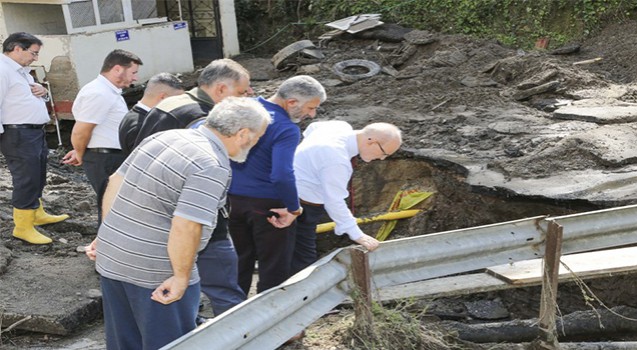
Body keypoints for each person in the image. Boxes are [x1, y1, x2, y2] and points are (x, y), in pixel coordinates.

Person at [84, 97, 271, 350]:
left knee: (124, 343)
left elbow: (115, 181)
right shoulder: (210, 165)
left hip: (113, 260)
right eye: (258, 137)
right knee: (170, 343)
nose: (256, 143)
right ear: (243, 134)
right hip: (156, 274)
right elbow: (187, 225)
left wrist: (107, 233)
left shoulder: (164, 137)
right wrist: (181, 277)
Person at [134, 58, 252, 317]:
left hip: (156, 211)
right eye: (241, 92)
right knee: (223, 287)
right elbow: (211, 170)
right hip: (193, 217)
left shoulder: (172, 103)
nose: (245, 100)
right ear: (221, 89)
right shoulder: (202, 119)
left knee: (180, 288)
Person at [229, 75, 326, 295]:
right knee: (274, 267)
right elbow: (282, 174)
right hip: (269, 207)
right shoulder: (285, 128)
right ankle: (269, 318)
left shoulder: (243, 109)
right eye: (311, 108)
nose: (312, 115)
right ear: (292, 102)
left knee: (238, 262)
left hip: (231, 201)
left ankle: (230, 317)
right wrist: (293, 208)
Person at [290, 121, 402, 275]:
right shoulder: (337, 160)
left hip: (292, 194)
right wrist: (357, 234)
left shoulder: (339, 127)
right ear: (371, 141)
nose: (382, 159)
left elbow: (312, 128)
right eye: (383, 153)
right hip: (299, 206)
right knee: (302, 261)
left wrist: (308, 159)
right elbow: (334, 201)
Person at [0, 32, 70, 244]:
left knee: (38, 173)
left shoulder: (22, 72)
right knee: (26, 178)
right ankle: (22, 227)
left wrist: (43, 93)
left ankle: (36, 213)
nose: (36, 58)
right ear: (17, 48)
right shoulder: (2, 70)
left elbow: (27, 98)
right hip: (17, 134)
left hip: (32, 132)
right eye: (33, 53)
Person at [62, 49, 142, 226]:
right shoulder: (99, 93)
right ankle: (106, 249)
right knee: (111, 207)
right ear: (117, 69)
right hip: (105, 159)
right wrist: (81, 154)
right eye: (133, 72)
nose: (135, 78)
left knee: (116, 206)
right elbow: (80, 131)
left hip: (109, 156)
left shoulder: (108, 92)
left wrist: (80, 150)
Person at [117, 72, 184, 155]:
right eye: (176, 99)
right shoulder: (140, 125)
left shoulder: (136, 117)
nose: (179, 104)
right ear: (162, 97)